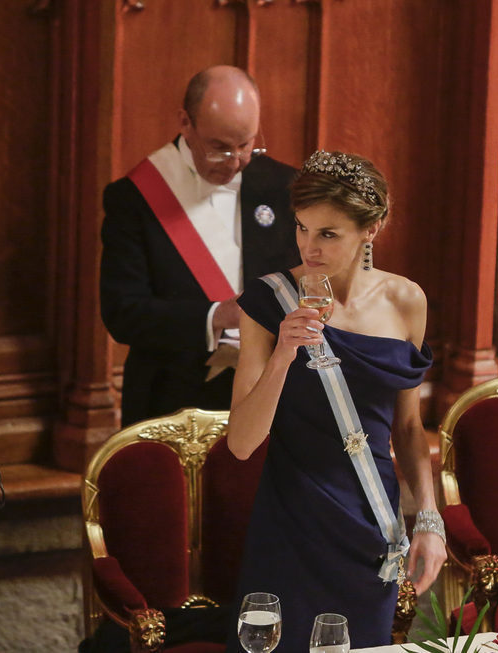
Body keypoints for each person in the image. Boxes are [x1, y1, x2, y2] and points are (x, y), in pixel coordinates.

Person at [225, 151, 446, 650]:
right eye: (302, 228)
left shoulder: (406, 301)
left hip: (372, 527)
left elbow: (408, 428)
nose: (309, 247)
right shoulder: (267, 303)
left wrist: (429, 519)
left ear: (372, 228)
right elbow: (241, 443)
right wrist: (284, 352)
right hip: (293, 525)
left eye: (328, 234)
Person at [101, 65, 300, 427]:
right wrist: (216, 317)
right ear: (185, 123)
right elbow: (123, 314)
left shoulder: (285, 185)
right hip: (171, 400)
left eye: (247, 144)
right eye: (220, 148)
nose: (237, 162)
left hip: (268, 395)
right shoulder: (133, 199)